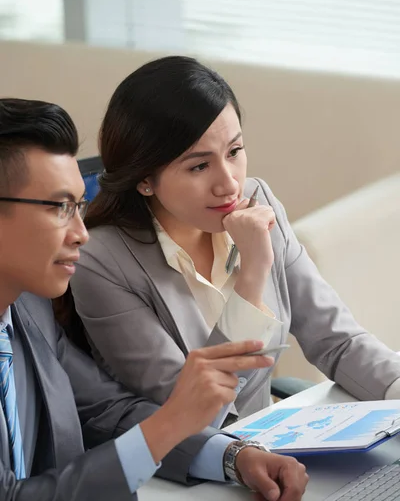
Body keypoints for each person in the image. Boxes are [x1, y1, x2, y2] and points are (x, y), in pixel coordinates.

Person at [0, 98, 309, 500]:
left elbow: (108, 413)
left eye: (79, 206)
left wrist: (233, 456)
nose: (81, 232)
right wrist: (171, 423)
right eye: (60, 207)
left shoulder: (28, 308)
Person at [71, 55, 400, 421]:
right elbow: (197, 412)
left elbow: (338, 341)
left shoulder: (257, 200)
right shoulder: (101, 262)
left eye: (234, 152)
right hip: (193, 468)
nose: (229, 183)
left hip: (276, 450)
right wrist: (253, 271)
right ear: (144, 179)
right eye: (199, 165)